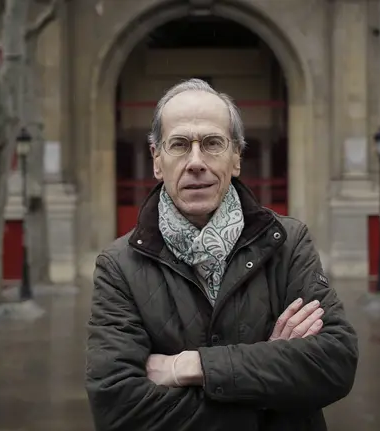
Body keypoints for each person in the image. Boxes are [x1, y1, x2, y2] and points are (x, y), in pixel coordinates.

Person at [85, 79, 358, 431]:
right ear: (157, 160)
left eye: (213, 144)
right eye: (180, 144)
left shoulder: (288, 242)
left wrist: (190, 367)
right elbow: (117, 410)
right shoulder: (119, 266)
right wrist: (269, 381)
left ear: (236, 157)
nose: (196, 161)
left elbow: (335, 363)